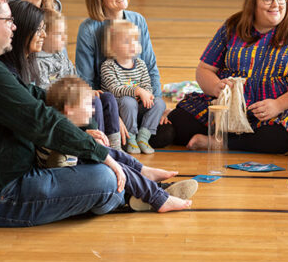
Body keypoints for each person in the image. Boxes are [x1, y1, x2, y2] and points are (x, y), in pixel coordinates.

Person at [0, 0, 124, 227]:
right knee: (106, 178)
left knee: (101, 157)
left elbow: (40, 97)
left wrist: (87, 129)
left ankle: (142, 188)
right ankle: (128, 193)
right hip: (6, 193)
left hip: (18, 178)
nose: (13, 26)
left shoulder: (3, 69)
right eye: (7, 20)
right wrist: (99, 153)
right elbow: (40, 119)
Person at [168, 0, 288, 153]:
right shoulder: (233, 25)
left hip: (282, 109)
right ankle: (233, 137)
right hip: (234, 109)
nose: (276, 5)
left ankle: (220, 142)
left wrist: (278, 105)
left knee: (281, 137)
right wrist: (217, 88)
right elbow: (204, 69)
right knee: (179, 122)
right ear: (253, 1)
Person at [42, 76, 193, 213]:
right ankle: (158, 197)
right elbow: (65, 164)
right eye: (87, 104)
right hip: (71, 182)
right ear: (69, 109)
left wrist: (88, 138)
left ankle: (143, 174)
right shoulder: (59, 136)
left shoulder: (63, 127)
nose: (92, 109)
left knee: (110, 152)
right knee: (114, 165)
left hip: (75, 169)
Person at [76, 0, 172, 148]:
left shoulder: (137, 20)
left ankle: (135, 135)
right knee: (107, 130)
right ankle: (122, 135)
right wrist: (114, 117)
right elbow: (86, 82)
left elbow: (150, 67)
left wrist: (157, 105)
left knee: (167, 133)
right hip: (109, 104)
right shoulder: (89, 29)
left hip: (138, 101)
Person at [36, 9, 122, 149]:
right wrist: (81, 96)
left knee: (107, 98)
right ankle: (98, 146)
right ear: (43, 35)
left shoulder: (61, 56)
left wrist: (86, 90)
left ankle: (115, 146)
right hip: (63, 104)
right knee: (94, 103)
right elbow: (47, 93)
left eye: (64, 33)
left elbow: (74, 78)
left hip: (75, 97)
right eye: (58, 34)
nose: (64, 38)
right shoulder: (38, 62)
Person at [100, 20, 166, 154]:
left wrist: (147, 94)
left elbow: (147, 84)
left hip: (138, 105)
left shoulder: (140, 64)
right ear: (113, 46)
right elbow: (115, 90)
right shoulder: (108, 66)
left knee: (159, 103)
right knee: (127, 101)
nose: (132, 44)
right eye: (126, 41)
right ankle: (131, 137)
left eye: (135, 40)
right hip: (120, 109)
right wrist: (137, 91)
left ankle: (143, 136)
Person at [0, 0, 46, 83]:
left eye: (43, 28)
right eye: (38, 29)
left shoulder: (30, 62)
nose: (44, 35)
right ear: (22, 31)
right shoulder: (6, 73)